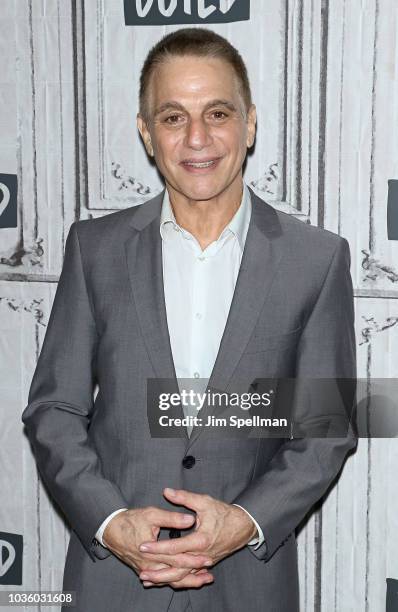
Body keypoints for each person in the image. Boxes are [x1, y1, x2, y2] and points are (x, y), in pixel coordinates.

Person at [22, 27, 357, 612]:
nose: (197, 138)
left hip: (247, 583)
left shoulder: (316, 260)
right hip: (114, 583)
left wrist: (247, 520)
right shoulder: (94, 249)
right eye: (173, 117)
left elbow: (325, 428)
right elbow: (54, 409)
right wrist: (109, 522)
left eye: (218, 113)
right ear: (147, 134)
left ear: (249, 124)